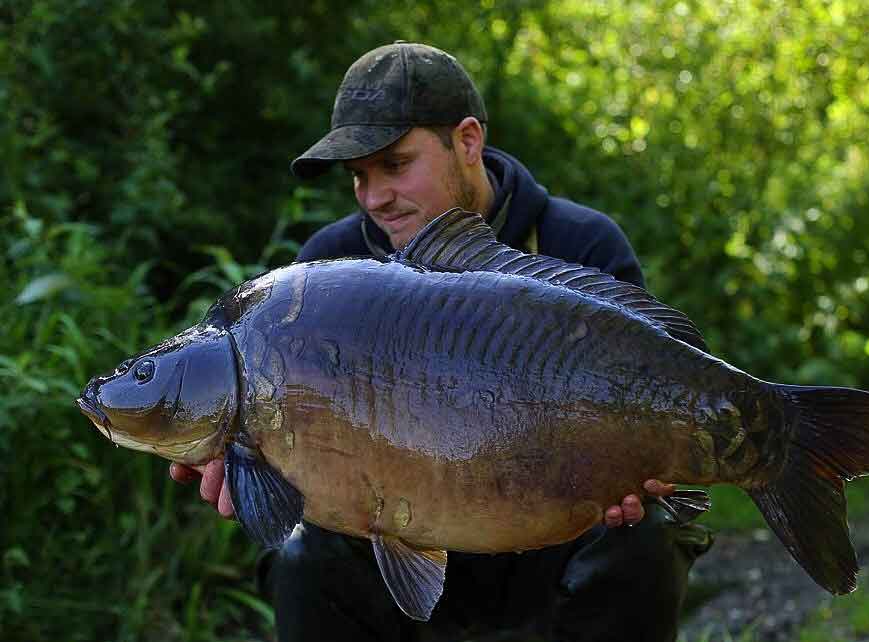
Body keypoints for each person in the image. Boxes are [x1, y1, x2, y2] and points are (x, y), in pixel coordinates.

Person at [171, 42, 712, 642]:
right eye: (359, 176)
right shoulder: (326, 270)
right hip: (396, 545)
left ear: (468, 141)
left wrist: (647, 463)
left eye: (395, 164)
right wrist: (245, 456)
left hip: (550, 533)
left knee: (647, 537)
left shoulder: (579, 243)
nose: (374, 196)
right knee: (300, 558)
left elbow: (653, 395)